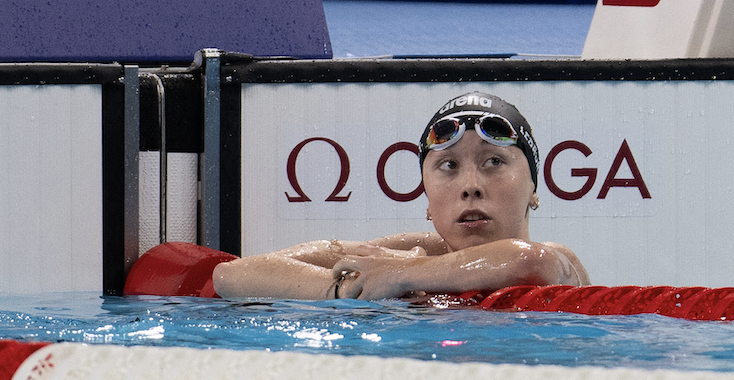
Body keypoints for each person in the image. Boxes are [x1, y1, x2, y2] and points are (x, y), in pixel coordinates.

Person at [212, 91, 589, 300]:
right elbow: (232, 275)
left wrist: (402, 273)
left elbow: (531, 263)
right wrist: (349, 290)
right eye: (448, 166)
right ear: (426, 199)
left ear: (534, 189)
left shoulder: (561, 262)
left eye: (494, 161)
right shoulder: (418, 251)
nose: (471, 185)